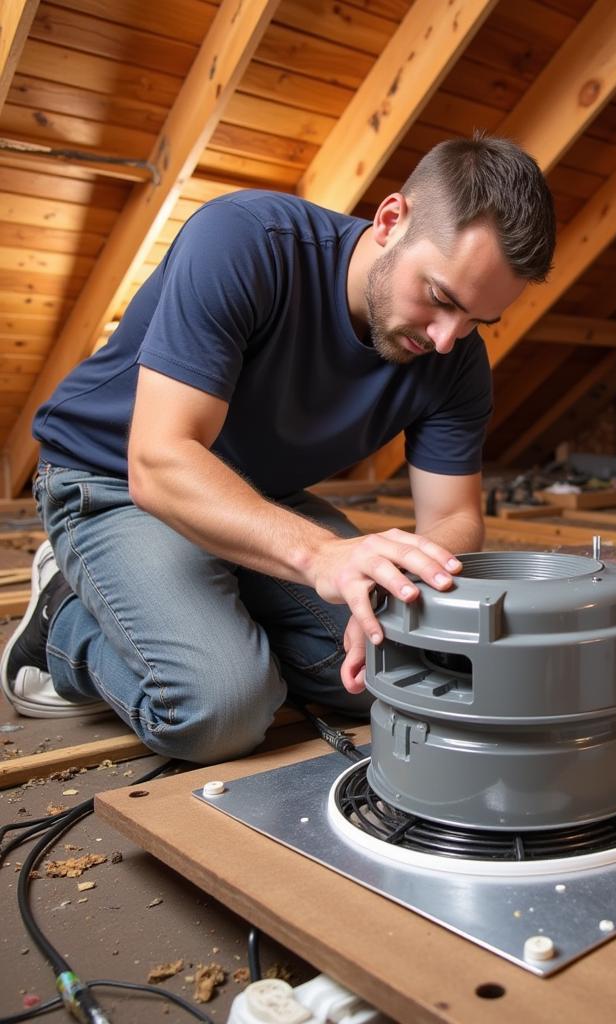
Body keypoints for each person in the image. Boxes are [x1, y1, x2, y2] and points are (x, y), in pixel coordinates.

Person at [0, 135, 556, 763]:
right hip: (114, 481)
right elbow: (158, 461)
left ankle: (204, 616)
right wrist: (322, 555)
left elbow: (454, 518)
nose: (448, 338)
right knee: (223, 709)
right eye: (441, 298)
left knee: (394, 676)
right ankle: (63, 624)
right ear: (391, 220)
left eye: (476, 322)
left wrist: (398, 592)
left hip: (260, 496)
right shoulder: (244, 241)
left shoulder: (456, 361)